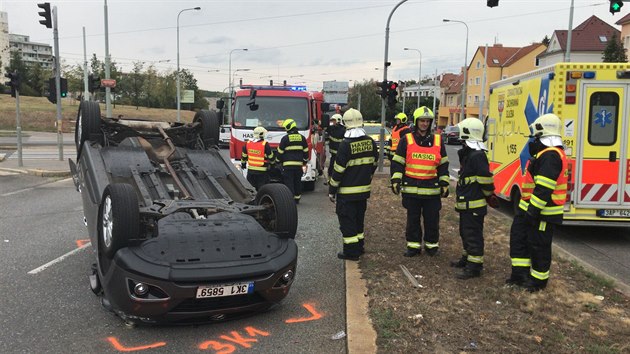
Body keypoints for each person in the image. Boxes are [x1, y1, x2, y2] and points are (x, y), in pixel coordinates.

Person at [505, 113, 567, 292]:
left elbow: (544, 188)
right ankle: (519, 275)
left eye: (536, 136)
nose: (534, 140)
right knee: (519, 240)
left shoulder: (551, 156)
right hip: (528, 210)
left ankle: (538, 282)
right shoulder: (546, 154)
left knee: (539, 247)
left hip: (542, 213)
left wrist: (533, 212)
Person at [390, 106, 449, 257]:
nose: (424, 124)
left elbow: (443, 165)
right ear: (416, 122)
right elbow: (398, 162)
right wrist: (396, 179)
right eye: (422, 121)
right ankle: (413, 246)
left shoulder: (437, 140)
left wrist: (444, 183)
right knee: (413, 220)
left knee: (432, 221)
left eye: (427, 121)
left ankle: (431, 246)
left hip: (432, 190)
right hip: (412, 189)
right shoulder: (406, 140)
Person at [451, 118, 498, 279]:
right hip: (467, 202)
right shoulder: (470, 153)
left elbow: (485, 178)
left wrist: (489, 194)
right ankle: (467, 258)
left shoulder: (477, 155)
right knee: (465, 232)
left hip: (474, 204)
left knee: (473, 235)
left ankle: (474, 266)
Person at [328, 108, 378, 261]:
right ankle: (359, 246)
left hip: (346, 194)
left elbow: (338, 171)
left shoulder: (345, 145)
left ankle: (351, 252)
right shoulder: (370, 142)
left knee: (347, 223)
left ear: (345, 123)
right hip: (363, 192)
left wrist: (332, 190)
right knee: (358, 220)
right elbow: (374, 164)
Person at [277, 118, 309, 204]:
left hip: (287, 166)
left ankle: (290, 199)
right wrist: (305, 162)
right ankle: (297, 198)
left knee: (289, 182)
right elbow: (306, 152)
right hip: (298, 165)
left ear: (288, 127)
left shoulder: (285, 139)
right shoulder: (302, 138)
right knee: (297, 181)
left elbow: (280, 152)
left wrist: (277, 161)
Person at [325, 113, 346, 184]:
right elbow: (324, 127)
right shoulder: (331, 128)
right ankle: (330, 181)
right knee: (331, 168)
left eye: (334, 120)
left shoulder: (344, 130)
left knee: (340, 168)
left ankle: (339, 181)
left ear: (338, 120)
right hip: (333, 154)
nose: (332, 122)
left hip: (341, 154)